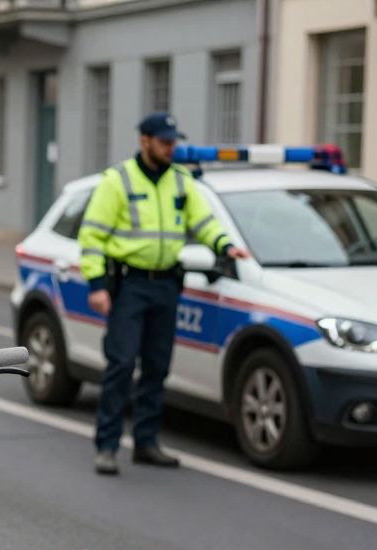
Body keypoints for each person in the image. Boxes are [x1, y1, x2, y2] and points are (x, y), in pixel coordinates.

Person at [79, 113, 249, 476]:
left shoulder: (181, 182)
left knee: (157, 367)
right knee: (122, 365)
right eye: (165, 142)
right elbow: (92, 235)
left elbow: (203, 223)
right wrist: (96, 286)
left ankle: (146, 443)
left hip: (167, 285)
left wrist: (225, 246)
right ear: (145, 141)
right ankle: (106, 447)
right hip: (130, 285)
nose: (172, 148)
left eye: (174, 142)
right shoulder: (118, 181)